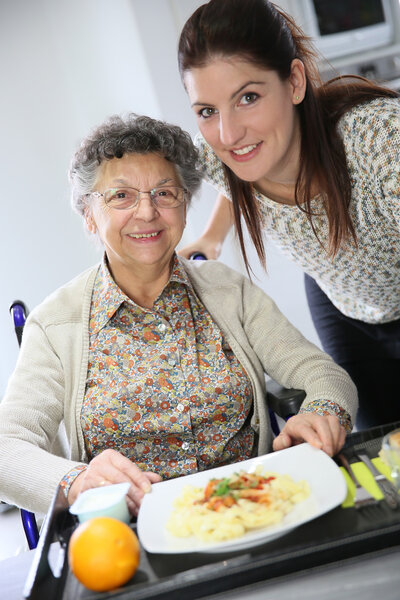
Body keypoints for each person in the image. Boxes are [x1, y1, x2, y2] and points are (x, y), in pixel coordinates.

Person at [0, 113, 357, 517]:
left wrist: (323, 413)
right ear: (88, 215)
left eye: (165, 193)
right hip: (135, 534)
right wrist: (77, 482)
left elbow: (322, 374)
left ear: (185, 206)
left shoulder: (228, 290)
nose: (148, 212)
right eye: (121, 196)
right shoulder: (55, 325)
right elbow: (6, 449)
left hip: (254, 507)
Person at [177, 0, 400, 431]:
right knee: (377, 444)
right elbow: (236, 169)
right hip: (342, 302)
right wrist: (212, 236)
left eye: (248, 97)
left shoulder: (380, 142)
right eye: (207, 110)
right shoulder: (220, 152)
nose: (228, 133)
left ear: (295, 82)